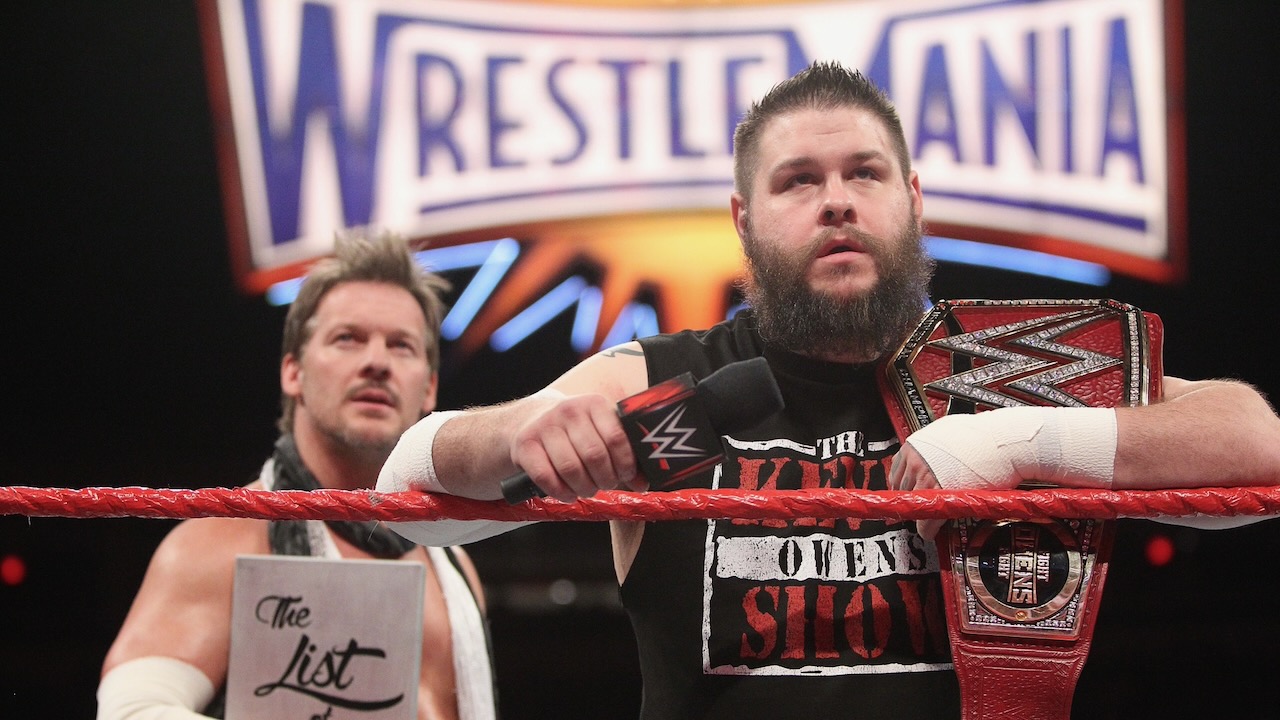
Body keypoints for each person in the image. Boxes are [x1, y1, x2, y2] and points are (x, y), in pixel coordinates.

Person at [375, 62, 1280, 718]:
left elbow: (1256, 445)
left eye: (864, 174)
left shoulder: (1007, 367)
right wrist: (520, 436)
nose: (836, 201)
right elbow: (404, 489)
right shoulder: (669, 383)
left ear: (912, 199)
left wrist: (1027, 442)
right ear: (745, 221)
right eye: (799, 182)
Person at [97, 233, 497, 720]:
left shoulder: (454, 567)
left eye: (402, 346)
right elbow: (132, 709)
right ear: (293, 372)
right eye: (347, 338)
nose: (377, 362)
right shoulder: (223, 544)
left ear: (429, 387)